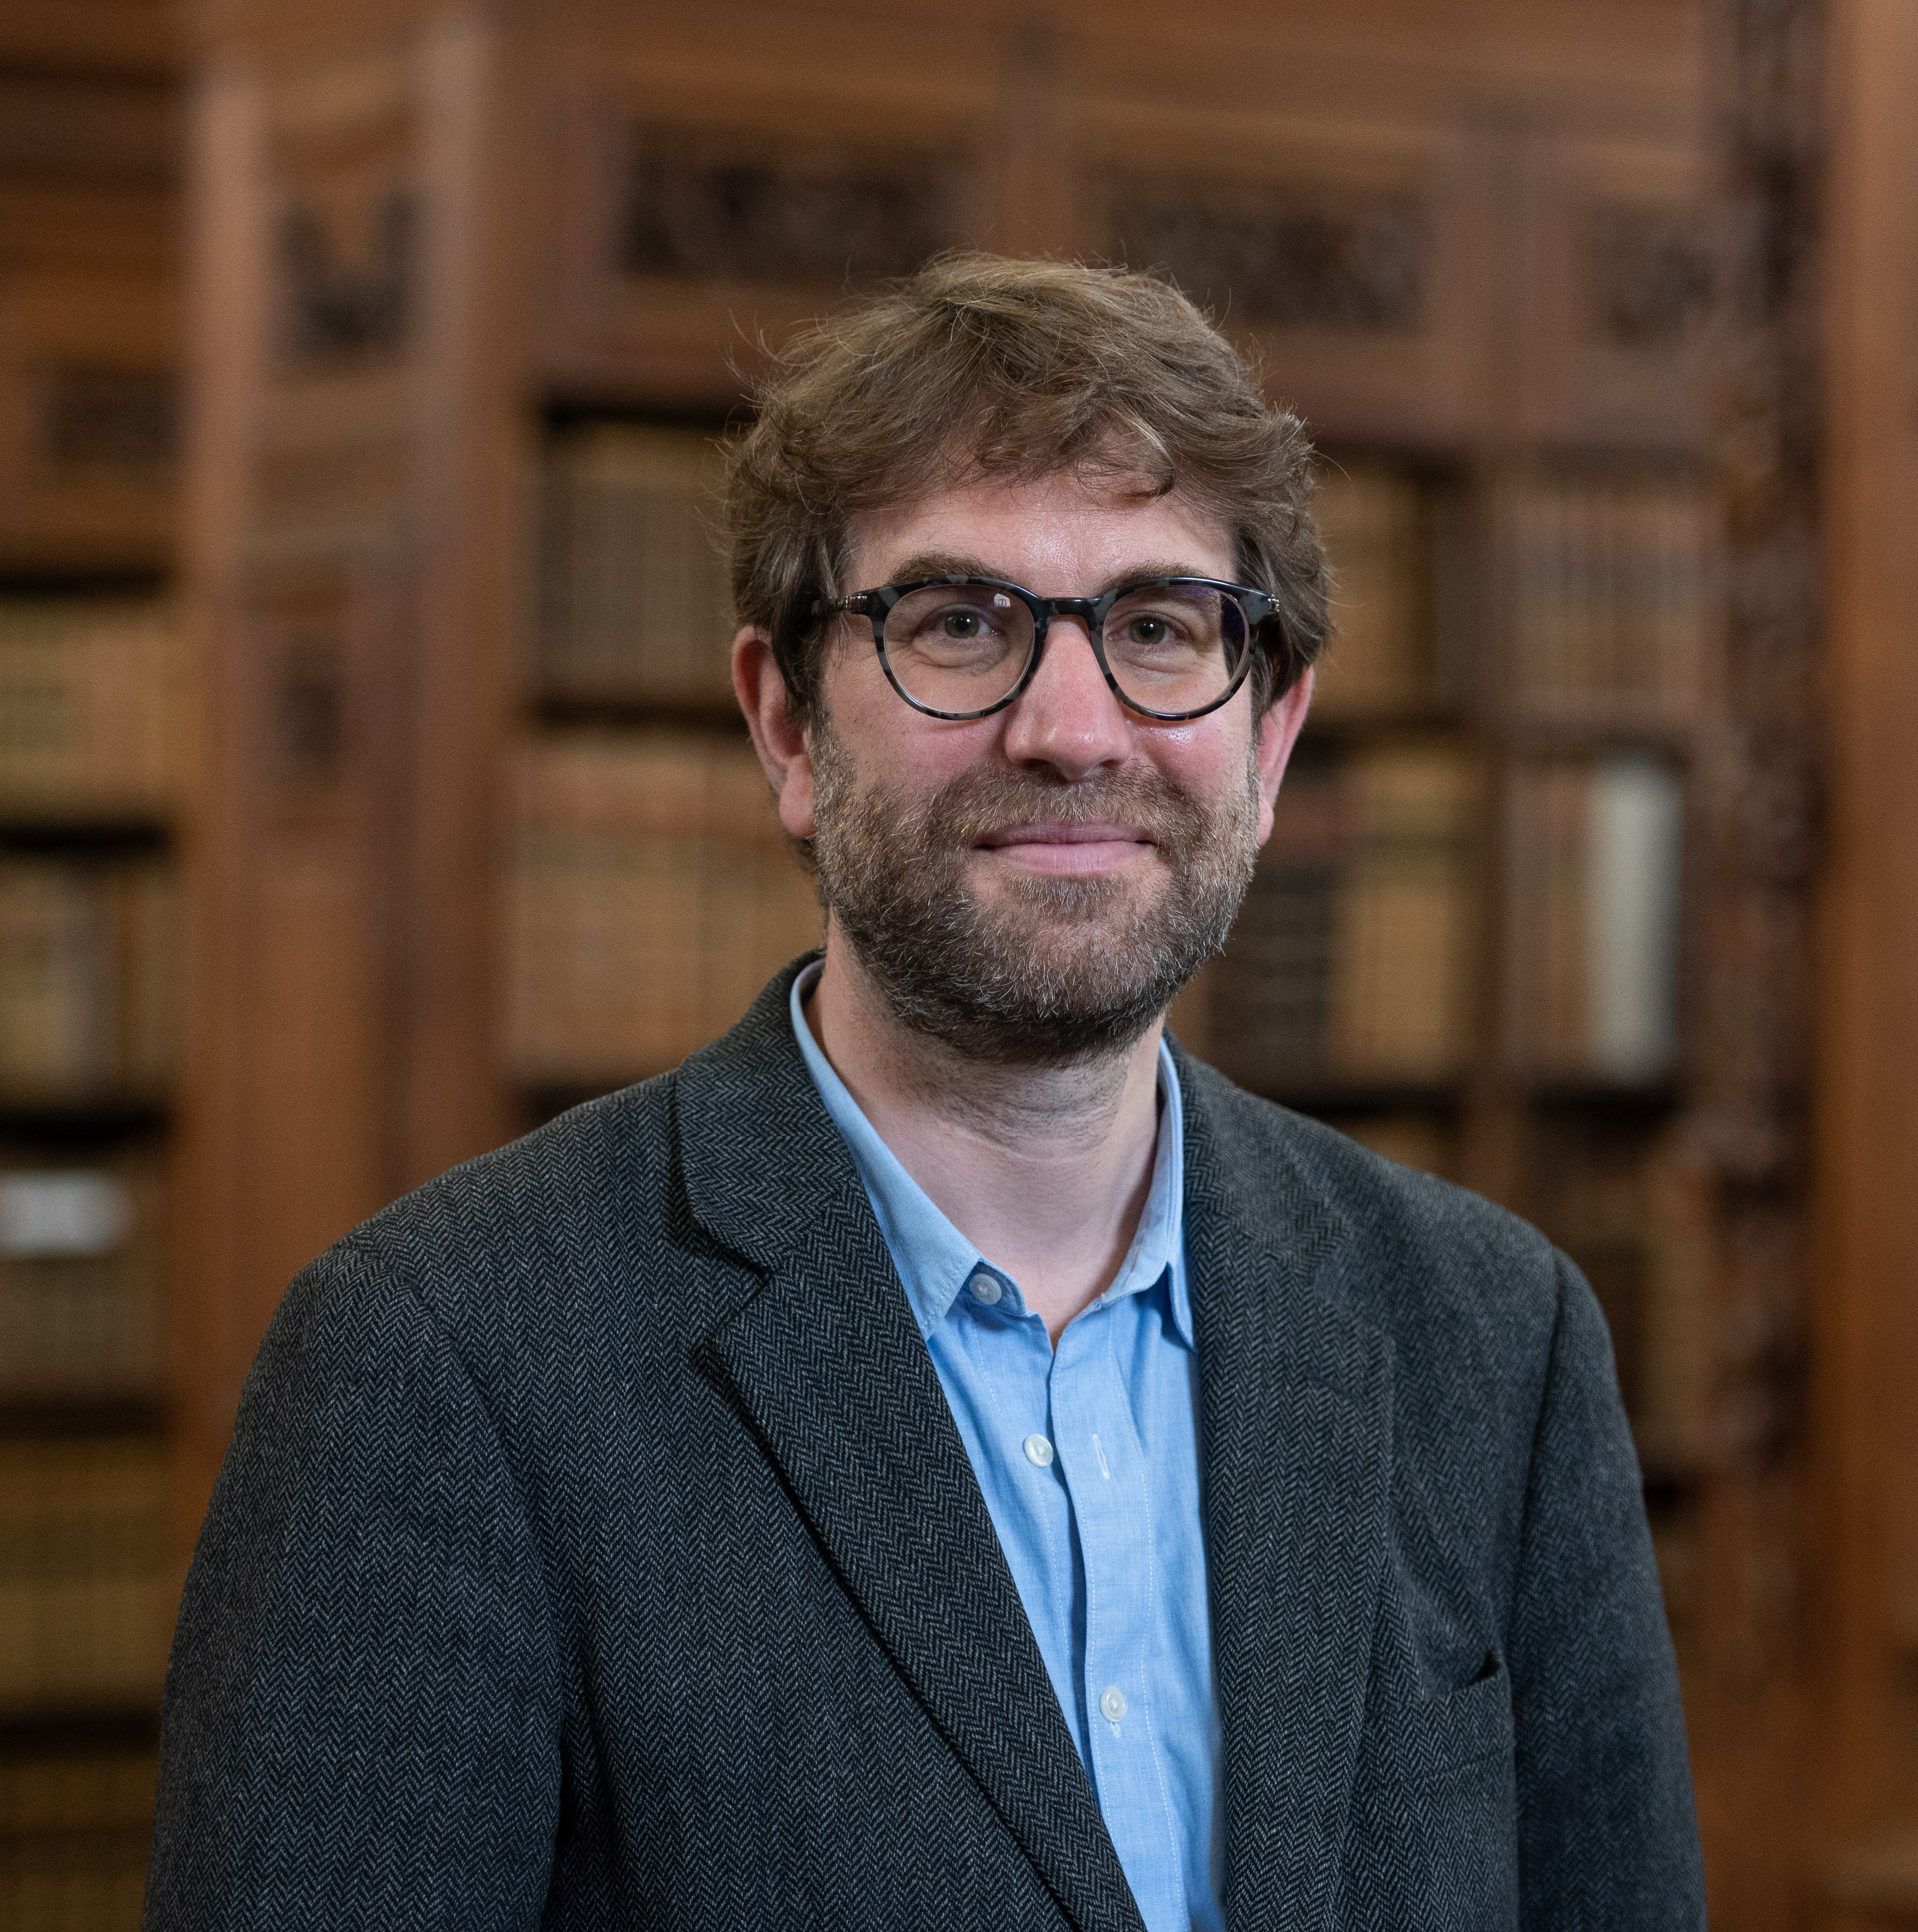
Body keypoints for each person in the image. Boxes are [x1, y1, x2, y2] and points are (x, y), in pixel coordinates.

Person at [145, 253, 1704, 1932]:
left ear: (1270, 738)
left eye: (1159, 628)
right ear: (787, 726)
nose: (1069, 726)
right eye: (957, 625)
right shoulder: (435, 1364)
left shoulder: (1494, 1334)